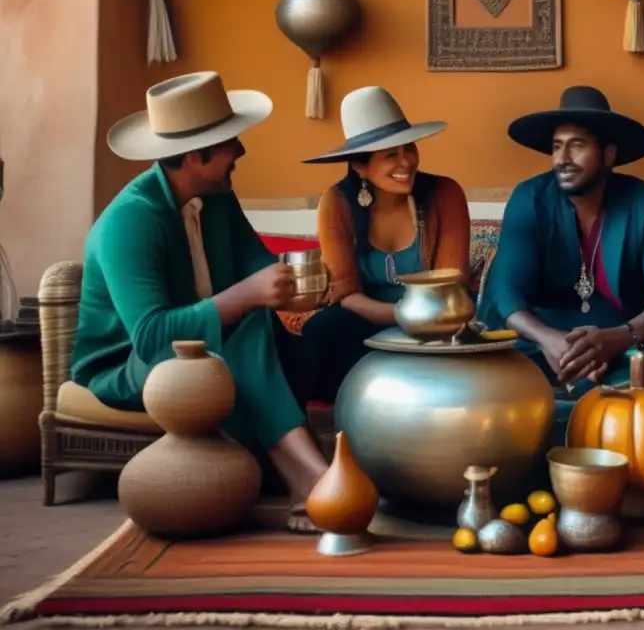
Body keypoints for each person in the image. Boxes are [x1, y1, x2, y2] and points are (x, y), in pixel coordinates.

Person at [70, 72, 328, 533]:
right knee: (246, 326)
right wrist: (245, 296)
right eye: (231, 142)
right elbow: (150, 339)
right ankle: (311, 475)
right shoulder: (130, 221)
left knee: (289, 340)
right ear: (195, 156)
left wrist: (295, 280)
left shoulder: (216, 197)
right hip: (128, 366)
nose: (242, 152)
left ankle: (300, 472)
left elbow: (256, 264)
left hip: (211, 349)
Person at [477, 86, 644, 438]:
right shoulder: (529, 198)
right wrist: (552, 341)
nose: (562, 158)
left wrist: (618, 338)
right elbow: (508, 295)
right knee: (485, 352)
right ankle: (608, 395)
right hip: (538, 339)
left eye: (578, 145)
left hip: (624, 341)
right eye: (557, 146)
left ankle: (583, 399)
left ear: (609, 154)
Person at [280, 86, 470, 401]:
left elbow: (451, 285)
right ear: (359, 166)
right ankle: (341, 420)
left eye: (409, 148)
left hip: (435, 327)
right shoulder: (336, 203)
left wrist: (421, 321)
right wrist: (404, 314)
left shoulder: (444, 194)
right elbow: (348, 297)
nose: (406, 162)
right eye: (390, 155)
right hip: (361, 328)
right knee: (328, 327)